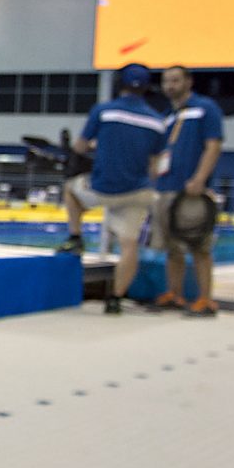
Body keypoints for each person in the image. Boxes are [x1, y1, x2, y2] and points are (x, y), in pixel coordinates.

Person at [65, 65, 169, 312]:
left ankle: (75, 238)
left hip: (103, 188)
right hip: (137, 192)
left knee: (70, 188)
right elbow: (156, 167)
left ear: (118, 84)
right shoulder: (157, 122)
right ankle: (115, 299)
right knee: (129, 244)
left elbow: (79, 147)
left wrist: (95, 148)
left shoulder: (103, 111)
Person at [150, 65, 224, 317]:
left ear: (188, 82)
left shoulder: (205, 109)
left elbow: (213, 146)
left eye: (175, 80)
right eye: (166, 81)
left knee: (199, 247)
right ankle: (175, 293)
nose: (170, 85)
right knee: (172, 248)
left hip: (192, 191)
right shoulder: (167, 116)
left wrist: (200, 179)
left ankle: (206, 299)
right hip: (165, 189)